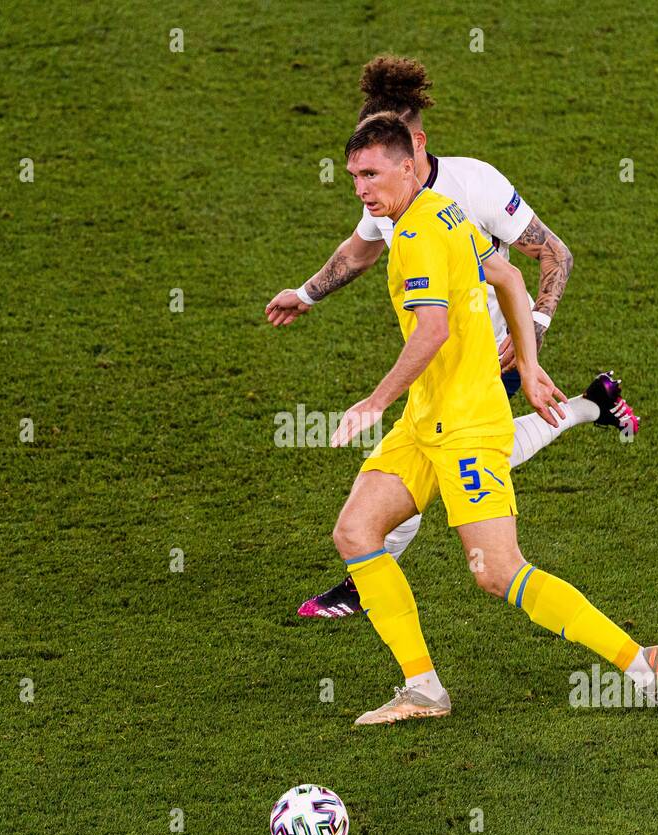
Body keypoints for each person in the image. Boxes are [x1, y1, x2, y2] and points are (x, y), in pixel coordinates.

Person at [307, 112, 658, 724]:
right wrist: (529, 364)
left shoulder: (422, 234)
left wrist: (374, 401)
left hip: (466, 429)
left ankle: (643, 662)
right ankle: (423, 689)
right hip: (426, 424)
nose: (361, 189)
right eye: (353, 177)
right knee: (354, 532)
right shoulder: (440, 212)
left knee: (499, 571)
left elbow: (433, 330)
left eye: (371, 174)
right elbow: (505, 272)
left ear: (408, 164)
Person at [266, 55, 638, 618]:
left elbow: (551, 254)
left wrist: (531, 333)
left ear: (414, 143)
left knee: (444, 465)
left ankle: (367, 582)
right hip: (445, 362)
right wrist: (307, 293)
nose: (367, 176)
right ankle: (594, 404)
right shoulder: (392, 197)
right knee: (457, 459)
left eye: (381, 156)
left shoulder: (474, 184)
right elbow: (360, 248)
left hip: (488, 352)